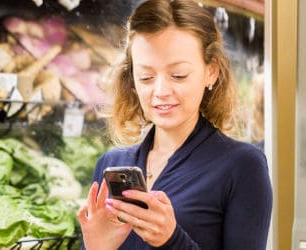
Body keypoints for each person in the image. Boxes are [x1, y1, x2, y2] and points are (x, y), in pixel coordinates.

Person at [77, 0, 272, 249]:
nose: (160, 91)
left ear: (211, 71)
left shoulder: (243, 166)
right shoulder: (110, 164)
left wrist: (171, 240)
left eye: (178, 75)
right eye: (146, 77)